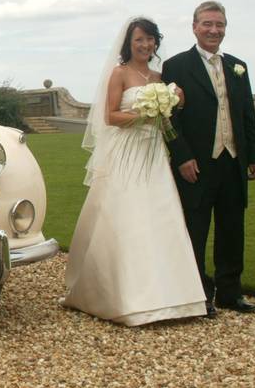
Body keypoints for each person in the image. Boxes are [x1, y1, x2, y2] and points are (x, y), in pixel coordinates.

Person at [63, 17, 206, 326]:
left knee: (162, 217)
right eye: (139, 39)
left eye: (150, 39)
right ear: (129, 43)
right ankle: (127, 297)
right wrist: (142, 113)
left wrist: (173, 104)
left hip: (154, 154)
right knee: (130, 218)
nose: (145, 45)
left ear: (156, 42)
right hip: (127, 154)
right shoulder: (120, 74)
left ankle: (176, 297)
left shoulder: (159, 77)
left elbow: (167, 122)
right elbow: (111, 116)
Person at [162, 1, 255, 316]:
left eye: (219, 24)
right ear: (194, 27)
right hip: (197, 164)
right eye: (207, 23)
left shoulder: (237, 66)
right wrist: (182, 157)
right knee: (196, 229)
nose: (213, 30)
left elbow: (247, 113)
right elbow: (168, 118)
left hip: (233, 160)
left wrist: (253, 155)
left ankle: (230, 293)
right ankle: (198, 295)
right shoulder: (177, 66)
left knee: (233, 229)